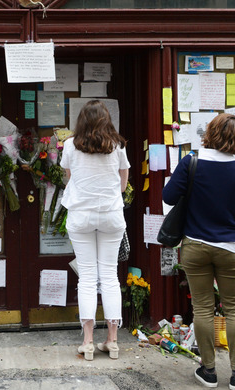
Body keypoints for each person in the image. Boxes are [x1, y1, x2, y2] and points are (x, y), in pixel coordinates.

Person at [163, 113, 235, 390]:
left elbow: (168, 197)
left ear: (211, 134)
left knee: (202, 308)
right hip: (230, 248)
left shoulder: (191, 163)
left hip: (195, 246)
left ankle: (208, 371)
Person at [60, 100, 129, 361]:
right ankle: (112, 341)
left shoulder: (70, 145)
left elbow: (69, 177)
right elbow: (123, 185)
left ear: (81, 121)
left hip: (81, 214)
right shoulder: (118, 145)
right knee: (110, 276)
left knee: (87, 277)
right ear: (106, 119)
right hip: (111, 214)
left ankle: (88, 342)